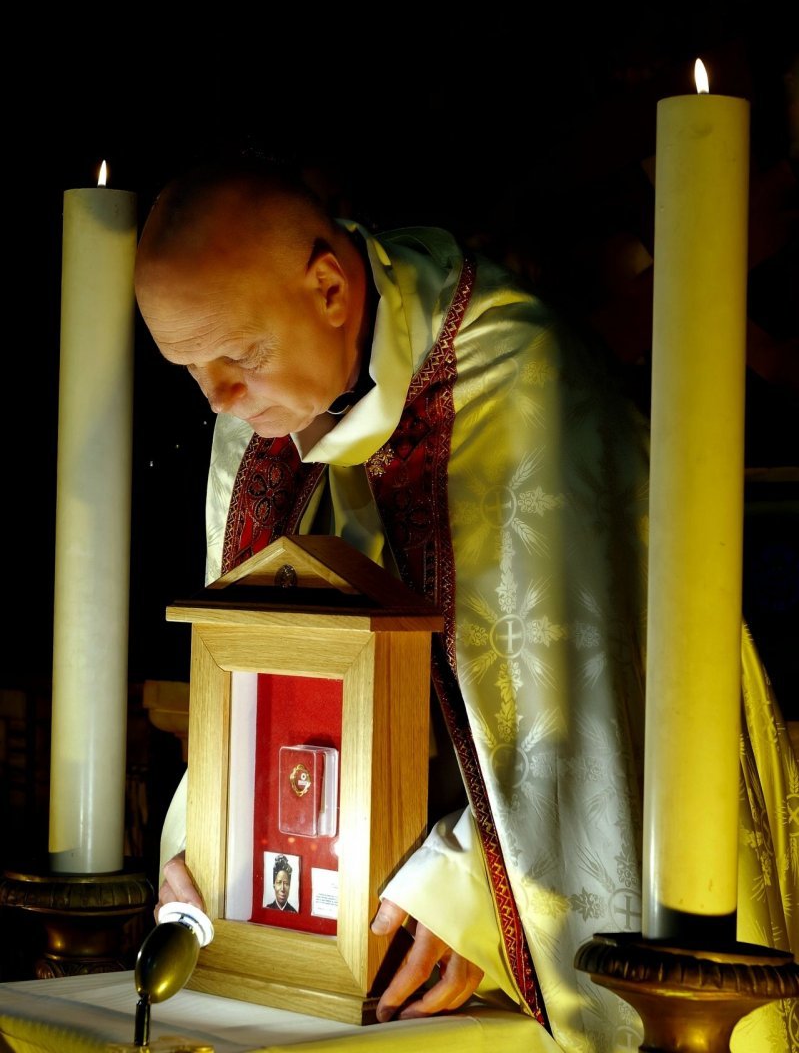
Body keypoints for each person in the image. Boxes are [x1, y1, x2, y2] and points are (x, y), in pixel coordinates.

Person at [137, 158, 797, 1053]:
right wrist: (208, 849)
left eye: (237, 359)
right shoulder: (249, 415)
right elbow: (247, 686)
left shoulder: (521, 385)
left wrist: (464, 898)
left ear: (329, 288)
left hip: (485, 934)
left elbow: (585, 721)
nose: (217, 399)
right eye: (188, 369)